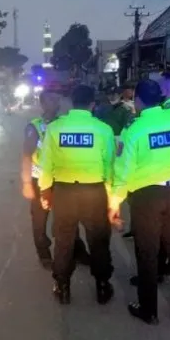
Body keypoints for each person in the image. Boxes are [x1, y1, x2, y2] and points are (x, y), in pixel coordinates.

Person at [109, 79, 170, 325]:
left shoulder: (134, 129)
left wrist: (114, 202)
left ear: (137, 101)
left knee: (147, 252)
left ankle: (148, 310)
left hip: (147, 197)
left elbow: (123, 170)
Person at [38, 84, 115, 305]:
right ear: (92, 104)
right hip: (94, 192)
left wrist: (45, 191)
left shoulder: (55, 128)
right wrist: (110, 195)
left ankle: (62, 286)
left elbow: (46, 165)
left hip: (64, 192)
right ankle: (102, 286)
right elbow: (109, 166)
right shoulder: (103, 129)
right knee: (98, 241)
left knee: (64, 240)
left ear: (71, 102)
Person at [20, 89, 90, 269]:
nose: (56, 103)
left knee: (69, 218)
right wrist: (27, 183)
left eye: (57, 99)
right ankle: (44, 253)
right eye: (51, 100)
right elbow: (27, 155)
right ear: (43, 103)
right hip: (38, 179)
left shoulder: (63, 123)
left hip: (60, 180)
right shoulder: (35, 126)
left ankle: (77, 250)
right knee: (39, 220)